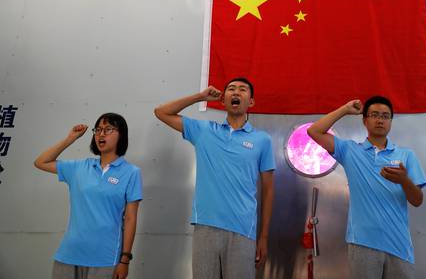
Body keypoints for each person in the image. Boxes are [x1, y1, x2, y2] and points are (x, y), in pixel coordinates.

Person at [154, 77, 275, 279]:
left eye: (242, 90)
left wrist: (263, 237)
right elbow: (161, 112)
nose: (236, 92)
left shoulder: (262, 140)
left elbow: (269, 190)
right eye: (231, 89)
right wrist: (200, 96)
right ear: (223, 99)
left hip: (243, 230)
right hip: (206, 227)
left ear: (251, 102)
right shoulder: (204, 131)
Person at [307, 95, 426, 278]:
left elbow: (417, 200)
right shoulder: (350, 150)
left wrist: (404, 180)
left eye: (386, 116)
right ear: (365, 120)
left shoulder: (406, 155)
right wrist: (345, 109)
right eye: (374, 115)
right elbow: (314, 131)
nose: (380, 120)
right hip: (363, 243)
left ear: (391, 122)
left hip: (399, 245)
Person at [34, 113, 142, 279]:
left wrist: (125, 260)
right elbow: (41, 162)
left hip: (106, 257)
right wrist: (70, 139)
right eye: (98, 129)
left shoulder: (131, 173)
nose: (101, 134)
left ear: (121, 135)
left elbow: (130, 219)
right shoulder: (79, 167)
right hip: (69, 254)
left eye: (108, 129)